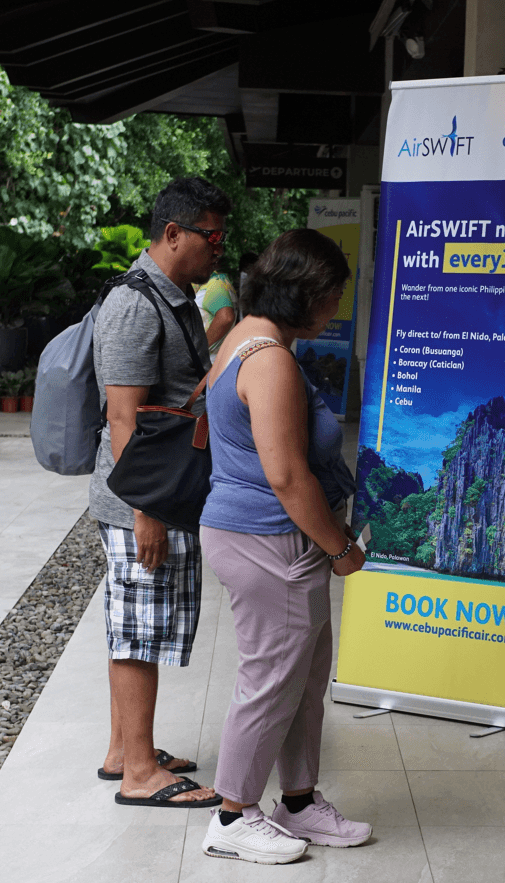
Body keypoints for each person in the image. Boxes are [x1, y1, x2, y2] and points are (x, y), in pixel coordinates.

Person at [198, 229, 370, 864]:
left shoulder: (247, 336)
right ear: (313, 294)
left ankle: (297, 803)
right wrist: (340, 547)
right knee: (272, 679)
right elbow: (288, 476)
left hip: (260, 537)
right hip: (269, 540)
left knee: (300, 677)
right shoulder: (269, 358)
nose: (338, 308)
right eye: (335, 296)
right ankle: (231, 815)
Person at [89, 176, 230, 809]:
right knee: (137, 630)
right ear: (173, 234)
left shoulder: (171, 295)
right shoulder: (133, 304)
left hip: (158, 492)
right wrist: (144, 509)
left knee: (133, 623)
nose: (219, 249)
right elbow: (123, 418)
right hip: (138, 499)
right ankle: (141, 774)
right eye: (212, 236)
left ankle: (126, 750)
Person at [195, 270, 237, 359]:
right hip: (217, 358)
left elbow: (226, 318)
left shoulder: (215, 284)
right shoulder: (219, 282)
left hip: (209, 360)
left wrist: (198, 350)